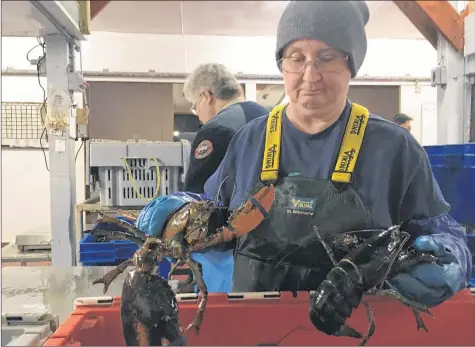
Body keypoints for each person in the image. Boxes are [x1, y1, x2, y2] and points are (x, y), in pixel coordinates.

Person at [138, 0, 472, 336]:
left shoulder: (395, 148)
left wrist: (450, 257)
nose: (310, 75)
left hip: (360, 333)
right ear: (282, 64)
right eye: (296, 58)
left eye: (327, 57)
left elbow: (444, 233)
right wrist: (179, 213)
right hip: (256, 333)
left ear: (351, 64)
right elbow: (216, 221)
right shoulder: (249, 140)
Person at [182, 63, 269, 193]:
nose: (198, 115)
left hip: (235, 212)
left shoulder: (215, 130)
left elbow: (196, 197)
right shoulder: (268, 116)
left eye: (195, 106)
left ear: (206, 96)